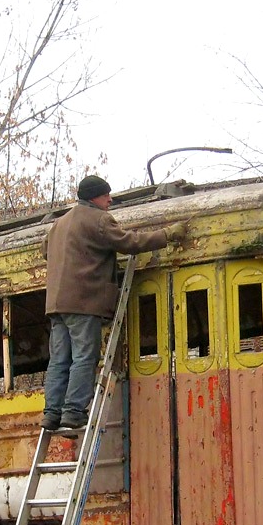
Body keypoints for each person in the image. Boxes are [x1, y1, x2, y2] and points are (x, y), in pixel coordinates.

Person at [41, 175, 187, 432]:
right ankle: (74, 412)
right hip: (84, 302)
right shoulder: (99, 220)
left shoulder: (58, 224)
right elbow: (130, 243)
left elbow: (45, 251)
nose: (110, 200)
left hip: (56, 304)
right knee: (84, 357)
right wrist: (167, 235)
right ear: (95, 197)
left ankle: (51, 414)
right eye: (106, 195)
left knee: (59, 360)